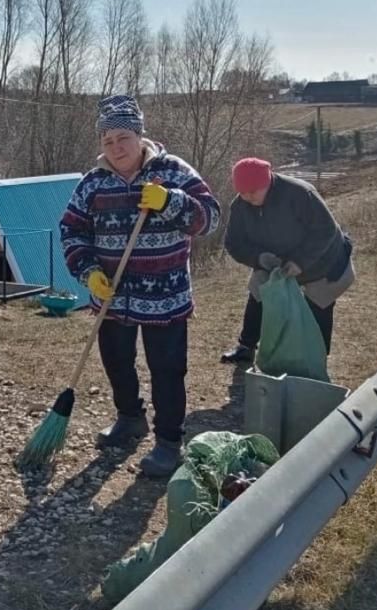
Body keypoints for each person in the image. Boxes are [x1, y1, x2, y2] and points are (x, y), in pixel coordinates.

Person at [60, 95, 221, 478]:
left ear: (139, 135)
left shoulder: (174, 172)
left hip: (165, 297)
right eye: (107, 140)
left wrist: (172, 202)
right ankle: (130, 418)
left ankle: (169, 442)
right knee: (116, 361)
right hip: (112, 296)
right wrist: (88, 272)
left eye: (123, 138)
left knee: (167, 369)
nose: (116, 148)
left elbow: (210, 218)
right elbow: (71, 231)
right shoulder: (92, 184)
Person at [221, 157, 355, 365]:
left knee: (319, 303)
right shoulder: (240, 206)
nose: (248, 197)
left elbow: (325, 230)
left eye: (254, 191)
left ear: (267, 182)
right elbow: (233, 244)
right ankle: (246, 347)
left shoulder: (300, 193)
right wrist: (259, 258)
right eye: (243, 193)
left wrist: (300, 262)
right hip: (276, 261)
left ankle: (317, 356)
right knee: (258, 292)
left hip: (323, 259)